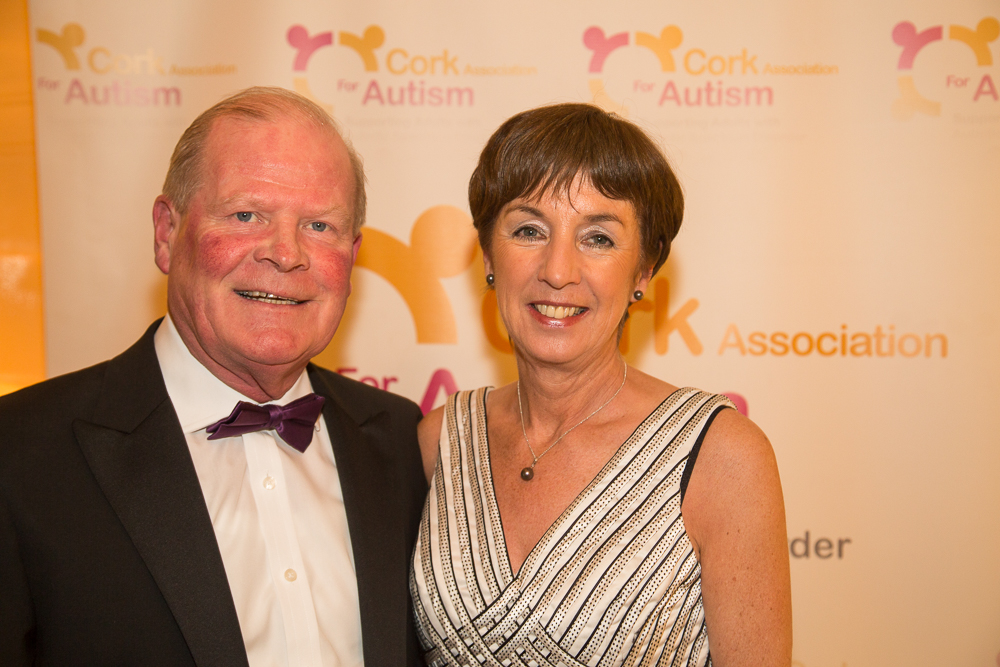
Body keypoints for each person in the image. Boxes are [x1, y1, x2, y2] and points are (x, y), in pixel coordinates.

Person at [0, 87, 426, 666]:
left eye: (319, 226)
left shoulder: (401, 440)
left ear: (352, 254)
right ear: (166, 232)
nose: (285, 253)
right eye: (246, 215)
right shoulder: (19, 454)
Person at [410, 104, 792, 666]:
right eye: (529, 231)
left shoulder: (722, 455)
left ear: (643, 270)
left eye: (598, 239)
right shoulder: (439, 439)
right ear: (488, 253)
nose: (558, 270)